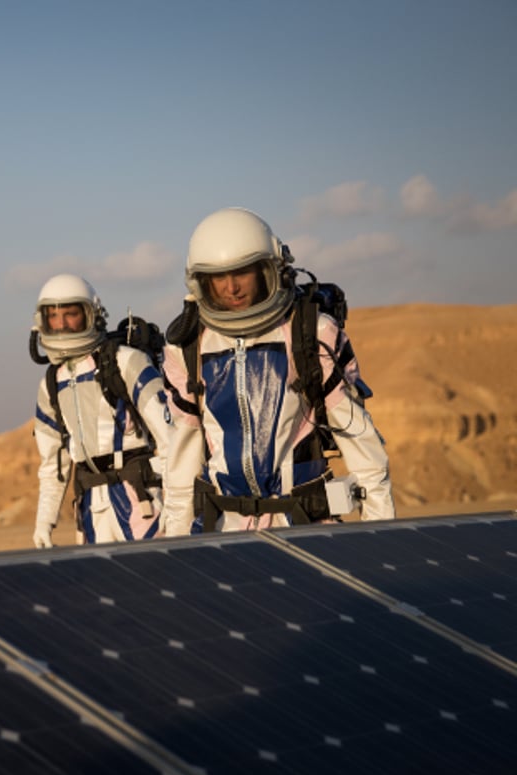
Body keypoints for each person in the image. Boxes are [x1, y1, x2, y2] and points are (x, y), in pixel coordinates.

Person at [160, 207, 395, 535]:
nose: (232, 288)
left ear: (270, 271)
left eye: (242, 273)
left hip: (303, 526)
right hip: (219, 531)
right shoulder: (187, 348)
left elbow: (361, 443)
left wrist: (380, 532)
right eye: (218, 278)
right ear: (200, 283)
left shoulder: (311, 334)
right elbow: (181, 462)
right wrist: (175, 541)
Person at [30, 274, 175, 547]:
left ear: (92, 315)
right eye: (53, 316)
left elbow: (170, 438)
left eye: (71, 314)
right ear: (42, 322)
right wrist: (44, 522)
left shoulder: (127, 361)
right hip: (89, 510)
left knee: (152, 578)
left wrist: (176, 504)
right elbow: (53, 466)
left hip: (139, 501)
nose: (61, 325)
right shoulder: (50, 385)